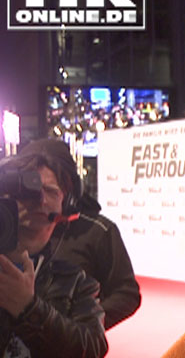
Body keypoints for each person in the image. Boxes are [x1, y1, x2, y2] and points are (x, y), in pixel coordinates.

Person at [20, 139, 141, 330]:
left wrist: (83, 323)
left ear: (68, 194)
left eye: (50, 191)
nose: (40, 200)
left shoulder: (99, 231)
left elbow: (126, 294)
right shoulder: (11, 228)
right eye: (32, 189)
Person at [0, 142, 107, 357]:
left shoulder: (76, 282)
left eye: (50, 191)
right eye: (28, 190)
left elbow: (92, 348)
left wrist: (29, 309)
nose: (39, 199)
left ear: (67, 204)